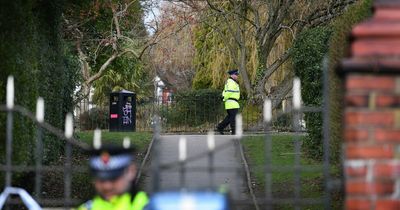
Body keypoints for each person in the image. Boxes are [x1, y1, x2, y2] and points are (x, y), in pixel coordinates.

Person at [77, 145, 149, 210]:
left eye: (114, 179)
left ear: (131, 172)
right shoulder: (87, 208)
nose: (107, 186)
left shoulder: (149, 206)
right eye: (101, 180)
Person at [217, 69, 240, 135]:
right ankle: (234, 132)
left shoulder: (230, 82)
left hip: (231, 102)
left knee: (229, 117)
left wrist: (224, 97)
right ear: (232, 75)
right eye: (236, 74)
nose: (237, 76)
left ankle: (220, 127)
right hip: (232, 102)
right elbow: (229, 92)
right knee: (233, 118)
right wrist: (224, 98)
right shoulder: (231, 82)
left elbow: (224, 91)